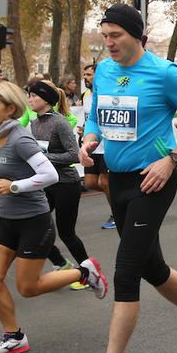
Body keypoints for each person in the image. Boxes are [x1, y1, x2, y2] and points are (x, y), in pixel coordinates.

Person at [63, 4, 177, 353]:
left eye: (116, 35)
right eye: (105, 35)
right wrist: (90, 140)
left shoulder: (166, 73)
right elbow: (99, 115)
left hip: (154, 179)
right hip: (117, 182)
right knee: (153, 267)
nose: (109, 42)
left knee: (128, 270)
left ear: (138, 36)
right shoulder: (103, 71)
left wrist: (172, 159)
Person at [0, 81, 107, 353]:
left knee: (28, 288)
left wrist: (13, 186)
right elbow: (10, 172)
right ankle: (14, 337)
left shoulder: (19, 138)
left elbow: (50, 176)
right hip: (6, 217)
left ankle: (85, 273)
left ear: (10, 109)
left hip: (33, 220)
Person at [27, 80, 93, 290]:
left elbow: (74, 155)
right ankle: (62, 265)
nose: (30, 99)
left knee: (66, 233)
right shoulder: (34, 123)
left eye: (33, 96)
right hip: (45, 183)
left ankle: (88, 274)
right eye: (29, 95)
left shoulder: (60, 122)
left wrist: (45, 158)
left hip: (66, 183)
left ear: (45, 99)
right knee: (34, 229)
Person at [80, 63, 114, 230]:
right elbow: (89, 119)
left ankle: (116, 213)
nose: (85, 78)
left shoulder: (107, 94)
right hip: (93, 146)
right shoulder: (86, 96)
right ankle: (120, 196)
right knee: (90, 183)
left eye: (89, 74)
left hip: (107, 145)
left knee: (106, 182)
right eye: (84, 74)